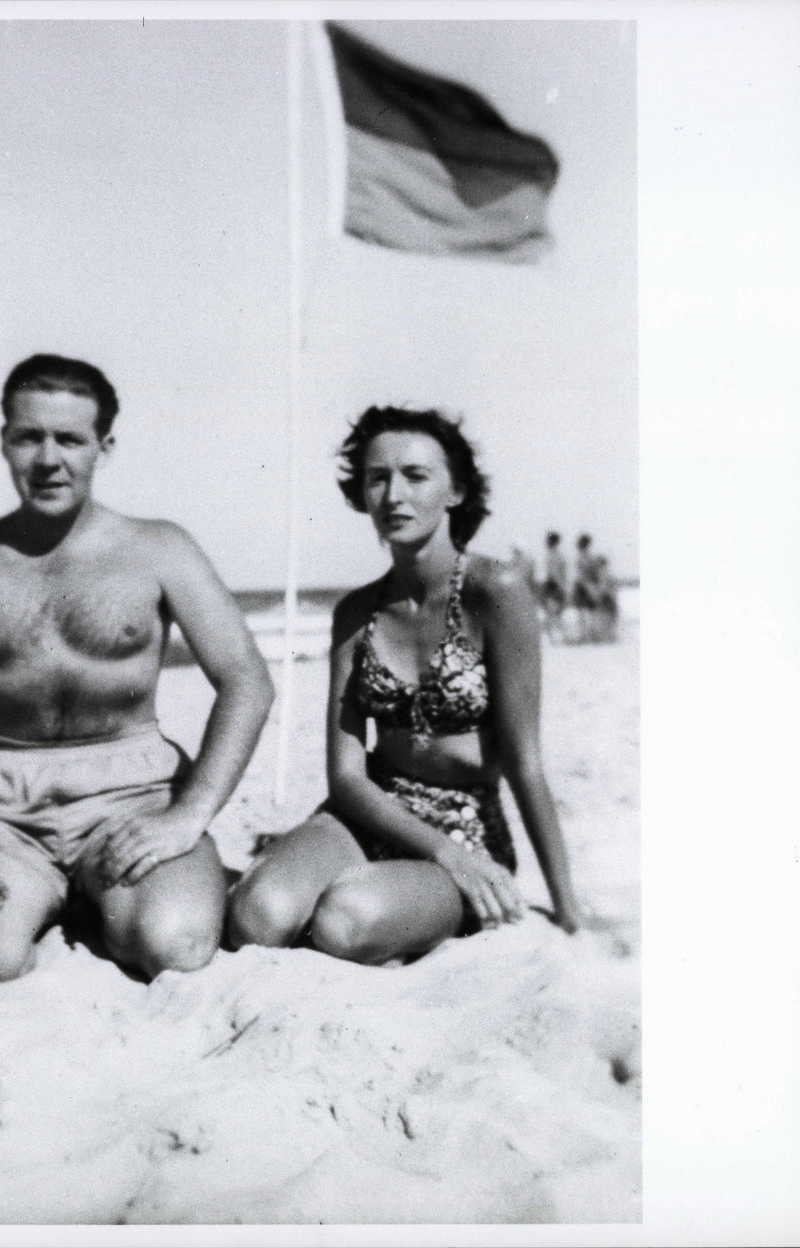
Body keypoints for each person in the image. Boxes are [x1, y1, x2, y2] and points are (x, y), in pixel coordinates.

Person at [0, 354, 275, 1003]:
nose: (49, 458)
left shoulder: (158, 547)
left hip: (133, 801)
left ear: (103, 446)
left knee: (178, 945)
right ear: (4, 442)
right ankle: (51, 906)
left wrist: (191, 813)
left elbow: (246, 678)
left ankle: (98, 904)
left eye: (70, 439)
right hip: (1, 815)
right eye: (29, 437)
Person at [229, 406, 582, 966]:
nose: (394, 494)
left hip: (465, 830)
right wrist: (433, 849)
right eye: (378, 477)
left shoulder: (497, 592)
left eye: (416, 476)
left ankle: (395, 902)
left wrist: (568, 913)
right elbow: (346, 775)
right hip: (370, 809)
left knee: (343, 924)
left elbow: (524, 762)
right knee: (256, 916)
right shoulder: (355, 613)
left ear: (456, 490)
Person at [540, 531, 568, 641]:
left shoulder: (551, 555)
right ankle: (556, 636)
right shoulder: (557, 555)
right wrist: (562, 586)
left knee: (552, 611)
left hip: (552, 585)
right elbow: (557, 573)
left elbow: (552, 573)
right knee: (555, 612)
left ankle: (554, 636)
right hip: (555, 585)